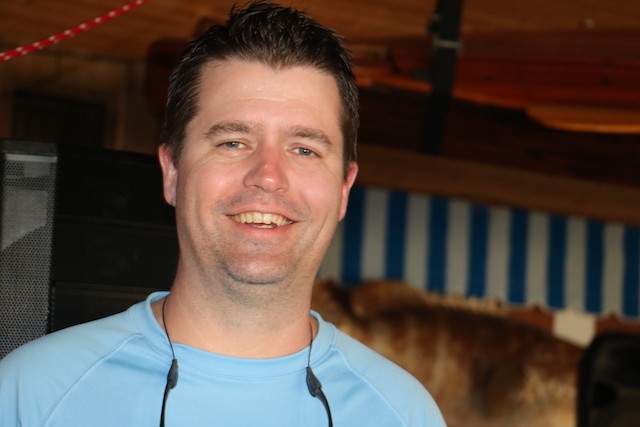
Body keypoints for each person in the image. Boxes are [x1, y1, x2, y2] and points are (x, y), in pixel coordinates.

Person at [0, 2, 446, 426]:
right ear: (172, 172)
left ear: (344, 189)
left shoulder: (402, 414)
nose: (268, 176)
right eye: (233, 142)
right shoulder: (32, 394)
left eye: (304, 149)